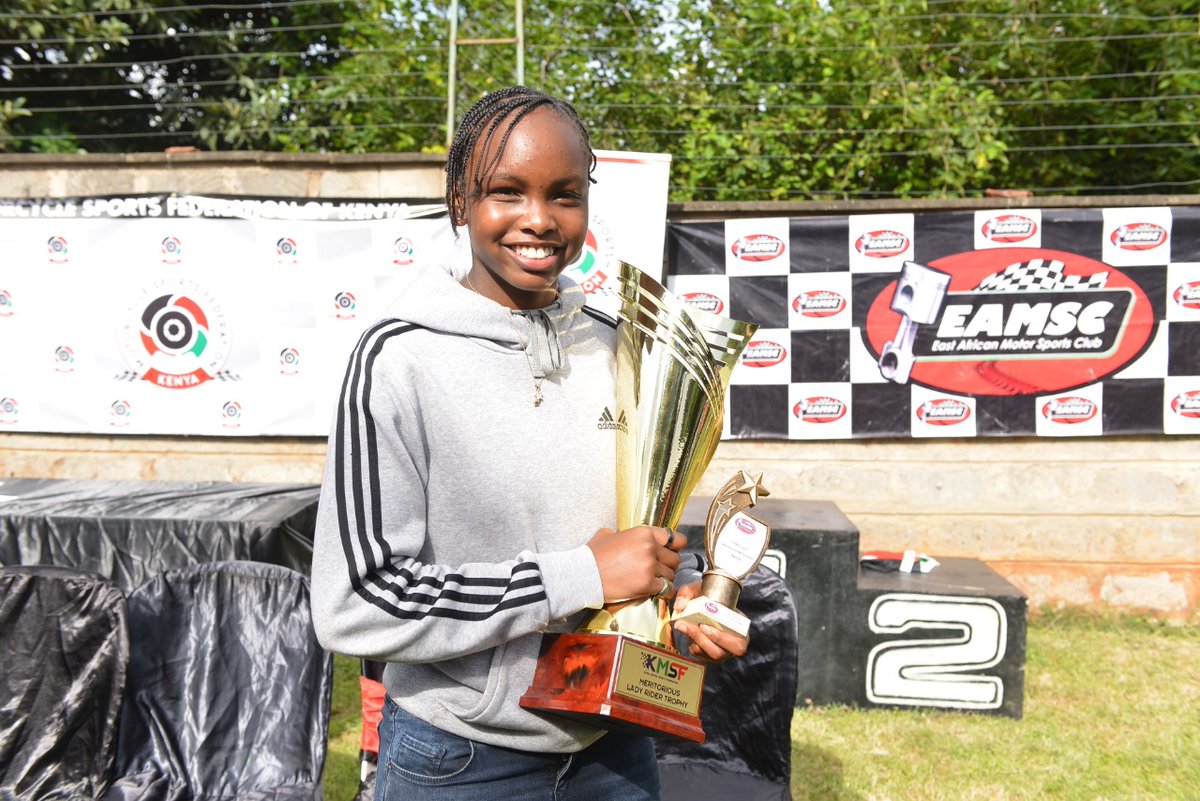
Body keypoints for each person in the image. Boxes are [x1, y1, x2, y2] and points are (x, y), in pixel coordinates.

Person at [311, 85, 747, 801]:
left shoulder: (620, 347)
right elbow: (356, 598)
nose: (538, 219)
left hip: (614, 745)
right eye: (506, 191)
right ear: (459, 200)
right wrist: (578, 577)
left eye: (565, 195)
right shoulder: (399, 359)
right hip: (460, 759)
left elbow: (631, 543)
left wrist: (683, 591)